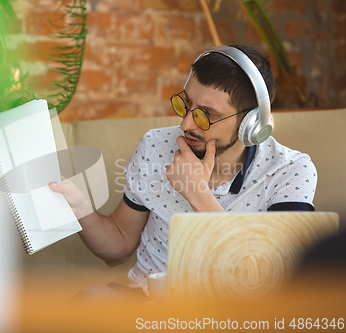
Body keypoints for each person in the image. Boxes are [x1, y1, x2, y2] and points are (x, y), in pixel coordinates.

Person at [48, 45, 317, 304]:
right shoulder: (154, 145)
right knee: (92, 301)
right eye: (185, 104)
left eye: (206, 116)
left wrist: (197, 193)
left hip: (231, 315)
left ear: (251, 124)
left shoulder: (290, 172)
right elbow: (119, 246)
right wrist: (79, 207)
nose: (185, 124)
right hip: (144, 303)